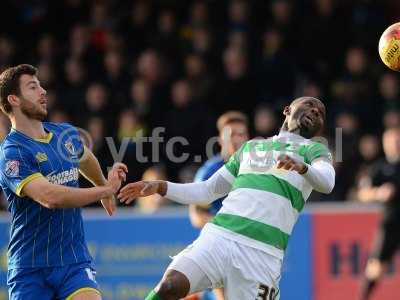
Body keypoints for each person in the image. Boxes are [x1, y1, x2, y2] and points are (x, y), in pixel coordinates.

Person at [119, 97, 335, 300]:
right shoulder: (251, 147)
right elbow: (208, 190)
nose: (315, 110)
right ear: (288, 110)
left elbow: (327, 182)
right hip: (221, 237)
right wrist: (160, 186)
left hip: (262, 256)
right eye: (309, 105)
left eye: (321, 113)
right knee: (170, 286)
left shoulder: (314, 150)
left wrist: (304, 168)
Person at [0, 64, 127, 300]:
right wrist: (104, 190)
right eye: (33, 87)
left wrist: (104, 187)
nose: (43, 91)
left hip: (73, 262)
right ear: (14, 99)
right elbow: (50, 197)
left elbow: (86, 158)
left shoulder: (64, 134)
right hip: (30, 269)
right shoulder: (12, 153)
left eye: (40, 85)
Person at [188, 111, 249, 300]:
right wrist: (227, 226)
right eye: (232, 135)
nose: (238, 139)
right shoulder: (210, 172)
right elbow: (196, 216)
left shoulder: (256, 169)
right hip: (220, 248)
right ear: (221, 140)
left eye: (242, 134)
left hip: (248, 250)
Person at [357, 127, 400, 300]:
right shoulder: (380, 168)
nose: (396, 144)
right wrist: (378, 193)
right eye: (393, 141)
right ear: (385, 143)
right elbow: (361, 193)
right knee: (376, 267)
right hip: (391, 223)